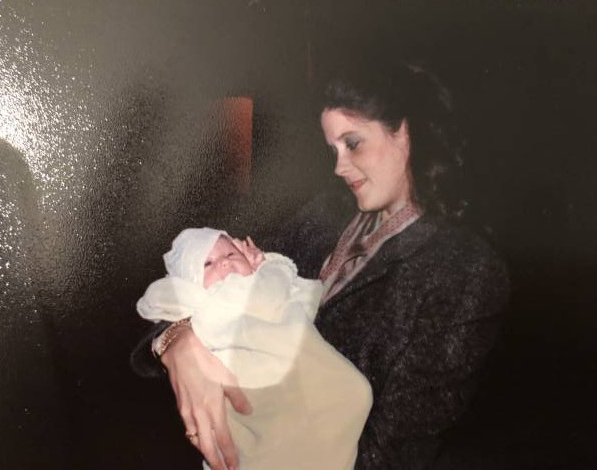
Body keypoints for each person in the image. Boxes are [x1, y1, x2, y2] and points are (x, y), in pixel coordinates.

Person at [131, 59, 510, 470]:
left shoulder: (464, 270)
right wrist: (177, 343)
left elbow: (393, 453)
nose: (338, 167)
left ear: (405, 132)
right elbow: (201, 275)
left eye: (353, 143)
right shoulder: (326, 214)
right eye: (333, 149)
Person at [136, 227, 372, 470]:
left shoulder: (257, 284)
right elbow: (157, 301)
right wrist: (174, 338)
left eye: (230, 254)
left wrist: (263, 265)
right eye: (207, 264)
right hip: (248, 394)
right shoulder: (211, 299)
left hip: (303, 379)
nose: (224, 263)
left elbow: (304, 297)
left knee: (337, 405)